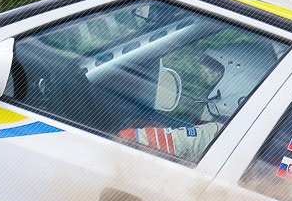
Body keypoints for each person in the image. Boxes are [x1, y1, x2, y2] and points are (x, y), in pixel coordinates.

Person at [117, 40, 278, 160]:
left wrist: (115, 135)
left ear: (241, 83)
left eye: (218, 77)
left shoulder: (217, 134)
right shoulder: (243, 135)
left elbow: (130, 139)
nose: (210, 87)